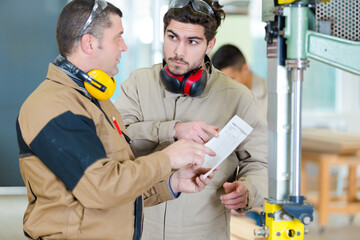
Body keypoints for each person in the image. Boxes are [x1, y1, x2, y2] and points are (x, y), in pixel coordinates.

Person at [15, 1, 218, 239]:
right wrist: (167, 158)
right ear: (89, 43)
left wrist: (172, 184)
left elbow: (120, 187)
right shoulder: (52, 106)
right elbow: (101, 189)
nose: (124, 46)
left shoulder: (96, 102)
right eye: (117, 37)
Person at [114, 0, 268, 239]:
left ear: (210, 44)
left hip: (204, 232)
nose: (178, 51)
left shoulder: (238, 97)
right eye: (172, 37)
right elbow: (114, 141)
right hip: (139, 229)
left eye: (192, 42)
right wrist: (171, 130)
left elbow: (260, 164)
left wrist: (248, 190)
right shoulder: (138, 84)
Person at [212, 44, 268, 117]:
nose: (227, 86)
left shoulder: (271, 96)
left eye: (231, 79)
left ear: (245, 69)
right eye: (223, 80)